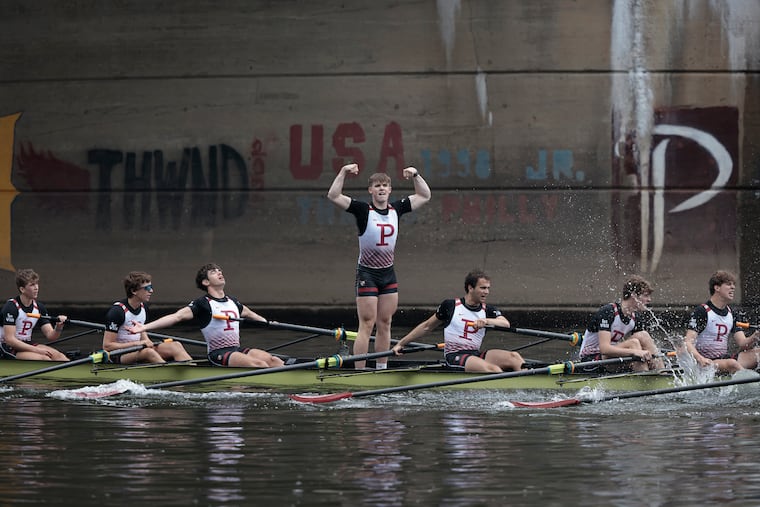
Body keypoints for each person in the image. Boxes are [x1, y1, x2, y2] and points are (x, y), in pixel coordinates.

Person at [328, 163, 431, 369]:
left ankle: (381, 369)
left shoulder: (397, 208)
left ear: (390, 190)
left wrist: (416, 174)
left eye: (385, 185)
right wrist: (343, 172)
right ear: (371, 190)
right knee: (367, 324)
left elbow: (425, 195)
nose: (381, 189)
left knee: (385, 323)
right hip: (367, 273)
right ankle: (360, 371)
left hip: (388, 274)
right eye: (377, 186)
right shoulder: (362, 209)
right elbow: (333, 195)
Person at [127, 263, 284, 368]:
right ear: (206, 282)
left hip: (236, 349)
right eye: (213, 272)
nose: (219, 273)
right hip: (219, 354)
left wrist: (268, 323)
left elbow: (250, 314)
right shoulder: (202, 304)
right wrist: (144, 327)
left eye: (219, 270)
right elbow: (176, 317)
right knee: (259, 365)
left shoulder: (233, 302)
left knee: (274, 361)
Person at [391, 270, 525, 373]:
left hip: (475, 354)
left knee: (514, 357)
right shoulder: (450, 306)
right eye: (483, 288)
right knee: (493, 370)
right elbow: (426, 327)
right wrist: (401, 344)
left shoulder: (488, 310)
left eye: (488, 288)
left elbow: (505, 323)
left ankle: (529, 387)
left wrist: (486, 320)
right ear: (470, 288)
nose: (487, 292)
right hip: (455, 356)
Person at [578, 275, 664, 372]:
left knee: (643, 336)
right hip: (592, 360)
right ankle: (643, 379)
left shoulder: (635, 318)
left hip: (613, 358)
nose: (649, 300)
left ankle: (662, 372)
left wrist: (649, 353)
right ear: (634, 295)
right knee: (633, 343)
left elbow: (645, 344)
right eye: (645, 295)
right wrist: (635, 352)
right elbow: (604, 349)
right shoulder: (608, 312)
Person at [103, 271, 192, 364]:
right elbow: (107, 346)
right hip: (118, 355)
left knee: (175, 345)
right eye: (147, 288)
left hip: (138, 349)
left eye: (151, 287)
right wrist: (137, 344)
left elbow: (142, 333)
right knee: (149, 352)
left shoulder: (143, 307)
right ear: (134, 291)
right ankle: (169, 375)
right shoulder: (117, 312)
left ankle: (192, 370)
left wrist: (147, 342)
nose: (151, 291)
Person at [683, 270, 760, 374]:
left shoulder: (732, 313)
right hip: (707, 363)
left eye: (733, 285)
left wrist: (755, 336)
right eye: (728, 284)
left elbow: (743, 344)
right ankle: (753, 385)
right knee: (732, 364)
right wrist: (700, 359)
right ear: (717, 287)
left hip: (724, 359)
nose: (733, 287)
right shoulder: (702, 311)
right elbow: (687, 342)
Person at [0, 268, 69, 361]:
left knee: (60, 357)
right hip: (7, 347)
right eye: (32, 285)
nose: (36, 287)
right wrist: (36, 350)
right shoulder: (11, 307)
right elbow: (10, 340)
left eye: (36, 284)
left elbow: (51, 336)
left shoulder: (39, 307)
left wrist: (58, 326)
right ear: (22, 289)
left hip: (27, 344)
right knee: (44, 358)